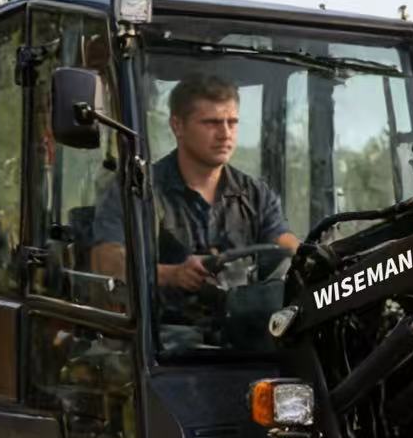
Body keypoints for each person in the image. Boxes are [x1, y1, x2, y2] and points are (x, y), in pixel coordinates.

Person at [92, 74, 299, 293]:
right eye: (212, 123)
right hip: (163, 324)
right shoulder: (138, 191)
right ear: (177, 126)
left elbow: (287, 245)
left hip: (244, 321)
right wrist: (171, 274)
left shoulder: (256, 196)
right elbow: (106, 262)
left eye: (232, 123)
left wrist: (316, 258)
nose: (225, 134)